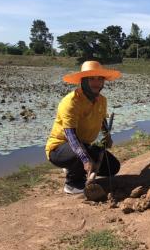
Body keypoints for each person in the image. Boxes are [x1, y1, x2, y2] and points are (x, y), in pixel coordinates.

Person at [46, 61, 121, 194]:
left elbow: (102, 119)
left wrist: (107, 136)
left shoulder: (102, 100)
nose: (96, 83)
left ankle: (76, 167)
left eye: (99, 79)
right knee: (82, 155)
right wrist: (85, 160)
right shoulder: (71, 102)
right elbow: (71, 136)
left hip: (84, 145)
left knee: (113, 167)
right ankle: (72, 184)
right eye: (91, 79)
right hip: (60, 147)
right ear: (82, 81)